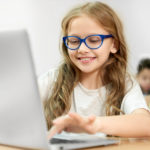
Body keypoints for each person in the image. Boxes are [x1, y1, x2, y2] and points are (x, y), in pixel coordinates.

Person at [38, 1, 150, 139]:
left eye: (94, 40)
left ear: (114, 44)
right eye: (74, 41)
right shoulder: (52, 79)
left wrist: (94, 124)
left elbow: (145, 124)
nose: (82, 49)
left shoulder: (125, 83)